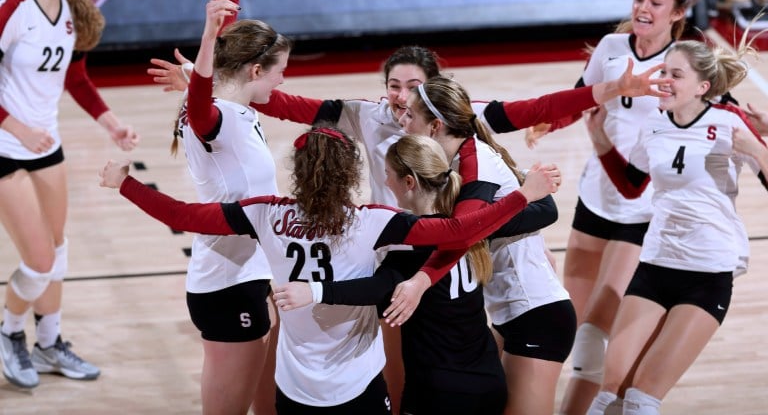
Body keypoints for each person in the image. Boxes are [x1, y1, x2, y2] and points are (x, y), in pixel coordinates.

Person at [148, 33, 672, 413]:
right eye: (393, 85)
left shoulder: (461, 127)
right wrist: (214, 87)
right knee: (401, 369)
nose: (400, 98)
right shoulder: (370, 115)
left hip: (442, 262)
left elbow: (534, 108)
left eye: (412, 88)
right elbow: (286, 103)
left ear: (435, 100)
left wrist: (602, 93)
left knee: (452, 363)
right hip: (399, 256)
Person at [98, 124, 560, 414]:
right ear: (351, 172)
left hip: (296, 387)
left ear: (298, 170)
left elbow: (180, 215)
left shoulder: (264, 214)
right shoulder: (374, 221)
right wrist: (525, 194)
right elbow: (461, 230)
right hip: (358, 385)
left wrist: (125, 183)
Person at [525, 0, 693, 415]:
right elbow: (585, 94)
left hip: (643, 212)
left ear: (677, 13)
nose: (642, 8)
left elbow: (637, 181)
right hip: (595, 200)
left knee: (595, 335)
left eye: (656, 2)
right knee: (568, 324)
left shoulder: (683, 65)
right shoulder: (612, 48)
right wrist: (551, 119)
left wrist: (599, 142)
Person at [584, 37, 768, 415]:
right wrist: (600, 138)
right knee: (609, 394)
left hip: (707, 272)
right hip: (655, 266)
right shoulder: (655, 123)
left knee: (641, 398)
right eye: (664, 71)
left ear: (703, 87)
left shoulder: (728, 122)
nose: (664, 79)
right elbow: (632, 185)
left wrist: (757, 149)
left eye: (675, 74)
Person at [272, 133, 510, 415]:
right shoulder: (472, 227)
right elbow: (541, 211)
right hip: (487, 378)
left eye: (388, 175)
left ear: (409, 182)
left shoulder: (408, 249)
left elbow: (377, 290)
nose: (385, 183)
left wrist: (315, 290)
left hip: (438, 391)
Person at [0, 0, 139, 389]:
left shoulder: (71, 13)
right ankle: (9, 331)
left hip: (48, 148)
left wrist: (112, 123)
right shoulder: (13, 10)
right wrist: (16, 126)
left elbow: (75, 80)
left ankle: (50, 343)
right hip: (5, 148)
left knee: (57, 254)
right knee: (38, 260)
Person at [386, 76, 573, 415]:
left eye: (410, 114)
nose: (402, 120)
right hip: (508, 310)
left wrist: (420, 279)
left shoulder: (476, 160)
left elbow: (460, 233)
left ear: (435, 126)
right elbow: (523, 213)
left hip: (534, 311)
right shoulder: (455, 161)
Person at [167, 0, 291, 413]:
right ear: (256, 68)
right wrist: (204, 36)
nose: (283, 80)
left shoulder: (229, 103)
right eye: (280, 70)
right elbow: (199, 101)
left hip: (252, 273)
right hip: (225, 285)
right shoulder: (213, 116)